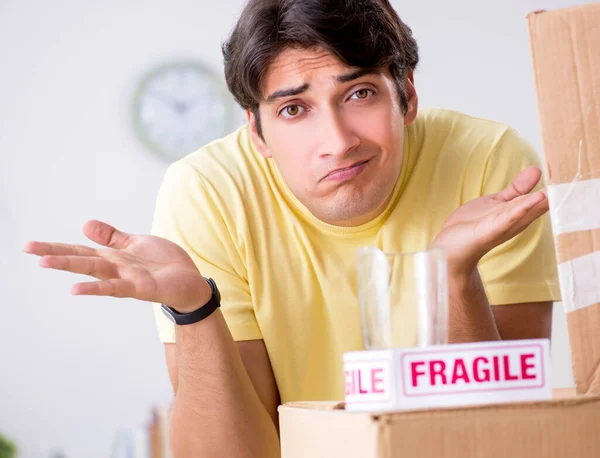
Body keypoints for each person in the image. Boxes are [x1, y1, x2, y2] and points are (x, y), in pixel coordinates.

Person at [24, 0, 560, 456]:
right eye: (294, 109)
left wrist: (453, 275)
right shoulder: (208, 192)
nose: (338, 140)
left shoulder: (489, 164)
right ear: (256, 132)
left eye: (359, 94)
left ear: (407, 94)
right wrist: (196, 309)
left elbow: (500, 438)